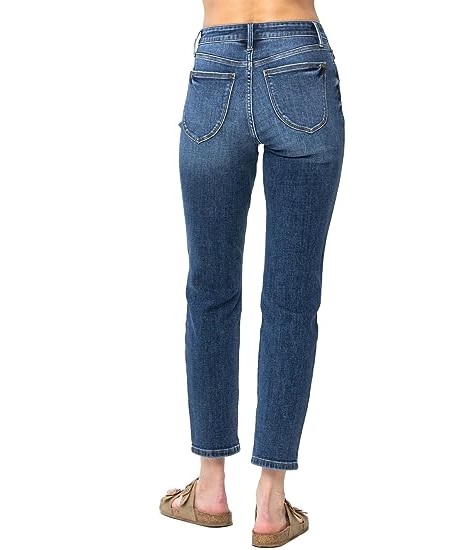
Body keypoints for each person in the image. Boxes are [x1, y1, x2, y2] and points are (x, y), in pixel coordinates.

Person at [159, 0, 345, 546]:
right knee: (292, 299)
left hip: (217, 61)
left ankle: (210, 487)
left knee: (210, 291)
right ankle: (270, 501)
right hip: (299, 59)